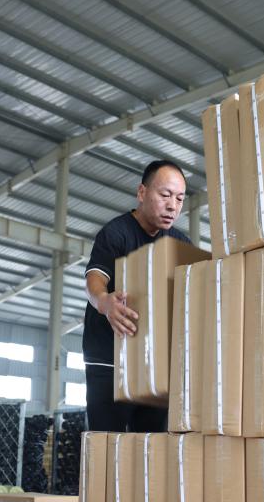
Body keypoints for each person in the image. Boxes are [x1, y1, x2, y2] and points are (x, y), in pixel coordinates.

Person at [82, 160, 192, 432]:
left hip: (154, 364)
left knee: (151, 446)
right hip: (110, 361)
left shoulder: (180, 244)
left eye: (179, 199)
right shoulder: (116, 233)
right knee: (107, 443)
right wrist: (104, 302)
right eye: (165, 195)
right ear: (142, 193)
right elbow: (95, 279)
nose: (172, 206)